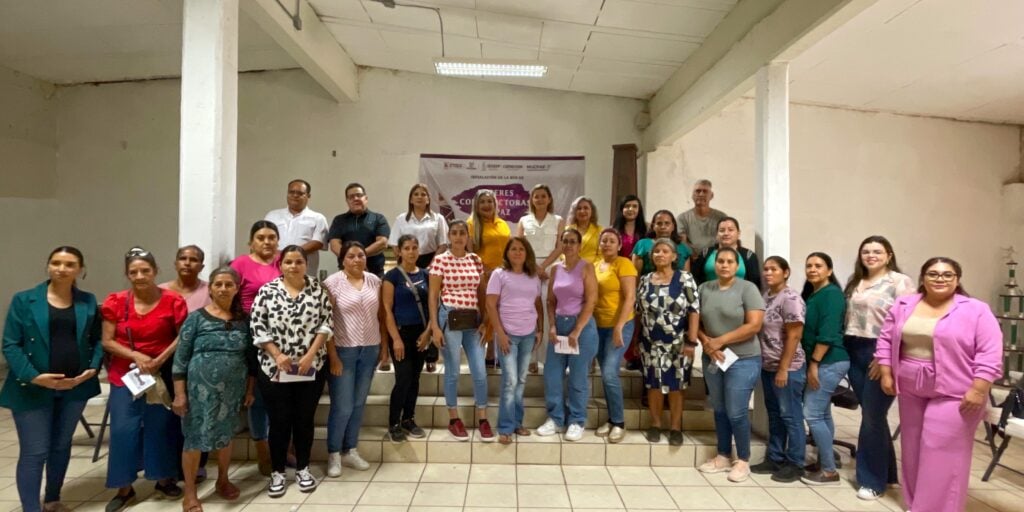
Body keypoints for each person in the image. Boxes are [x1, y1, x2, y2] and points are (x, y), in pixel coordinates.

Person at [877, 257, 1002, 512]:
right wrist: (887, 372)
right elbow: (886, 340)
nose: (940, 279)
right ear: (923, 278)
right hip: (911, 385)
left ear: (957, 279)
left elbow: (990, 353)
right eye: (933, 274)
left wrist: (979, 389)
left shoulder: (976, 310)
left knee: (940, 450)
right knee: (911, 448)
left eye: (947, 274)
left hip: (958, 390)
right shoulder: (904, 304)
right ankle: (915, 504)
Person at [0, 247, 103, 512]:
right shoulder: (24, 300)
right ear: (47, 266)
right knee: (35, 451)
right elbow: (11, 344)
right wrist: (35, 376)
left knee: (60, 446)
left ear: (80, 270)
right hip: (32, 388)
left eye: (69, 264)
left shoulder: (88, 301)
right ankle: (30, 508)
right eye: (56, 263)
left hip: (74, 387)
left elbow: (97, 340)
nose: (61, 268)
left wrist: (92, 368)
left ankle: (53, 500)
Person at [101, 248, 188, 511]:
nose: (140, 276)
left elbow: (182, 336)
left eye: (145, 271)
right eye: (133, 272)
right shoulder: (115, 302)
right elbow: (107, 340)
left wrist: (159, 359)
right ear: (127, 274)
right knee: (123, 430)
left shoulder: (173, 301)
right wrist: (136, 355)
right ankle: (124, 487)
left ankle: (162, 478)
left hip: (159, 375)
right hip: (125, 375)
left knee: (159, 428)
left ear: (156, 271)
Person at [250, 245, 332, 498]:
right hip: (275, 369)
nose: (293, 266)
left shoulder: (318, 290)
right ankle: (277, 473)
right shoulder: (267, 291)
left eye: (298, 262)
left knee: (304, 420)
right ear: (280, 265)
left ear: (306, 264)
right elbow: (257, 326)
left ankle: (303, 469)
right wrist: (277, 355)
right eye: (288, 262)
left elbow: (326, 324)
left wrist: (308, 356)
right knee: (279, 421)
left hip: (311, 367)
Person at [171, 267, 250, 512]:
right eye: (218, 284)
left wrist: (249, 389)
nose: (223, 289)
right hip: (198, 392)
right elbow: (180, 359)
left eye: (229, 285)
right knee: (194, 439)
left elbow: (251, 358)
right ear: (211, 288)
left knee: (225, 436)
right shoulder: (196, 318)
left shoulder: (244, 320)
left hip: (233, 391)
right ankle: (191, 493)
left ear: (237, 288)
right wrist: (180, 393)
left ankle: (223, 480)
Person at [843, 236, 914, 500]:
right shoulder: (856, 281)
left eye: (877, 251)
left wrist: (884, 357)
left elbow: (904, 323)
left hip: (880, 350)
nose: (871, 255)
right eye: (866, 251)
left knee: (872, 416)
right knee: (874, 415)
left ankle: (871, 480)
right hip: (853, 347)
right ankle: (889, 473)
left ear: (889, 254)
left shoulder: (899, 282)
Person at [697, 247, 765, 483]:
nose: (724, 265)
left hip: (743, 359)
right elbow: (695, 322)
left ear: (737, 266)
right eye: (720, 261)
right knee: (720, 409)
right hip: (713, 357)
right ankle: (723, 455)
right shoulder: (704, 288)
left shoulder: (748, 288)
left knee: (737, 411)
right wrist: (707, 342)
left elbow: (754, 325)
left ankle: (743, 460)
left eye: (729, 262)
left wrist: (720, 341)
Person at [323, 242, 385, 477]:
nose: (357, 259)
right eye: (351, 256)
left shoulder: (374, 281)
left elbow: (381, 315)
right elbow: (325, 322)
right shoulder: (332, 283)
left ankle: (350, 449)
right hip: (343, 352)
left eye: (361, 255)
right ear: (343, 260)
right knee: (343, 405)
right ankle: (334, 453)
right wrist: (333, 356)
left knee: (358, 404)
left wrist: (384, 346)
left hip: (369, 349)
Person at [428, 220, 492, 441]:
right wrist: (435, 326)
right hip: (450, 318)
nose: (458, 237)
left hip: (472, 320)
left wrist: (485, 320)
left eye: (462, 233)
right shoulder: (440, 260)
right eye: (454, 233)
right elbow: (433, 296)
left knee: (479, 371)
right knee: (453, 371)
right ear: (449, 236)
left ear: (468, 237)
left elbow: (482, 293)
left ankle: (483, 417)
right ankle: (454, 418)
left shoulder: (475, 260)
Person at [536, 228, 598, 442]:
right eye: (565, 241)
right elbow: (551, 300)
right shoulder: (555, 269)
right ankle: (555, 418)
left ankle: (576, 421)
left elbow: (591, 301)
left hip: (581, 326)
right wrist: (552, 326)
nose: (569, 245)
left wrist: (577, 330)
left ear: (579, 245)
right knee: (552, 374)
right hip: (559, 328)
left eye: (573, 241)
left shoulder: (587, 267)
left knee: (578, 377)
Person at [230, 220, 281, 476]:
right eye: (261, 237)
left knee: (283, 392)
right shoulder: (240, 265)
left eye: (272, 237)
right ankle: (263, 449)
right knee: (258, 393)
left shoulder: (283, 261)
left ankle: (284, 446)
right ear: (251, 241)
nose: (267, 242)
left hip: (283, 334)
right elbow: (228, 299)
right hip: (252, 333)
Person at [635, 239, 699, 446]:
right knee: (653, 384)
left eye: (665, 251)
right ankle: (655, 424)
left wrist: (691, 341)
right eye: (656, 251)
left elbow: (694, 310)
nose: (660, 254)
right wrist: (637, 339)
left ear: (674, 256)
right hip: (650, 342)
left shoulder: (685, 278)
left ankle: (675, 428)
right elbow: (638, 311)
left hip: (678, 342)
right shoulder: (645, 280)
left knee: (676, 385)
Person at [749, 256, 807, 483]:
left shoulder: (790, 298)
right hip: (768, 365)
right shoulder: (767, 296)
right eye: (765, 269)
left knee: (791, 416)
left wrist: (784, 369)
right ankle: (775, 457)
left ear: (786, 272)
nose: (768, 273)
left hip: (788, 367)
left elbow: (794, 335)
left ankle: (796, 462)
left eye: (773, 269)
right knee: (775, 415)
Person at [485, 237, 543, 444]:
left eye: (521, 249)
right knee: (509, 382)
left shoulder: (533, 277)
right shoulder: (499, 275)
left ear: (527, 253)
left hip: (528, 334)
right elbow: (491, 305)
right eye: (513, 249)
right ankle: (506, 427)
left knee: (521, 381)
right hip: (507, 335)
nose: (517, 252)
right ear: (507, 253)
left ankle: (518, 423)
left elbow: (537, 304)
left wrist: (540, 330)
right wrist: (500, 334)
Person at [799, 252, 849, 486]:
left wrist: (814, 365)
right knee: (823, 413)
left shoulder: (831, 295)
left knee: (813, 414)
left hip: (828, 361)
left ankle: (829, 471)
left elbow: (827, 334)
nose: (812, 269)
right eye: (809, 265)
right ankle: (826, 460)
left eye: (818, 265)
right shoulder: (814, 295)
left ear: (829, 270)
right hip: (821, 361)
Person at [382, 235, 432, 443]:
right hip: (400, 333)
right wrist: (396, 339)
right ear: (399, 252)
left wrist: (428, 333)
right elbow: (386, 309)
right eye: (407, 248)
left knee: (415, 379)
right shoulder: (392, 276)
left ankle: (408, 419)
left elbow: (432, 307)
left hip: (421, 333)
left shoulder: (426, 275)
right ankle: (394, 423)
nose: (411, 252)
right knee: (402, 379)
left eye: (414, 247)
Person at [592, 229, 637, 443]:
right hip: (598, 326)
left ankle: (619, 422)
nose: (607, 244)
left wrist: (619, 326)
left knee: (610, 372)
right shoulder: (594, 265)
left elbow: (630, 298)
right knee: (605, 373)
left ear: (619, 245)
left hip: (620, 325)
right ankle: (611, 419)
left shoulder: (624, 264)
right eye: (604, 241)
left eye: (612, 241)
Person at [516, 184, 564, 375]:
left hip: (551, 269)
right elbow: (519, 246)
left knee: (548, 308)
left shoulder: (558, 220)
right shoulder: (523, 220)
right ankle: (532, 358)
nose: (540, 199)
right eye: (536, 196)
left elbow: (561, 246)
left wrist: (543, 268)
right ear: (532, 199)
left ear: (549, 199)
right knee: (530, 312)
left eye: (543, 196)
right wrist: (534, 267)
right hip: (529, 268)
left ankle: (548, 357)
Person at [466, 189, 511, 368]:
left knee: (499, 313)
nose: (486, 205)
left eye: (490, 201)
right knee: (486, 312)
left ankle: (495, 353)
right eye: (482, 202)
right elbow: (469, 252)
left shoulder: (503, 224)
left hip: (504, 275)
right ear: (476, 205)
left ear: (495, 204)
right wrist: (485, 270)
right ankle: (485, 354)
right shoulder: (471, 224)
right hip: (483, 276)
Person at [264, 179, 329, 276]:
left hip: (304, 274)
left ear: (308, 196)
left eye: (300, 193)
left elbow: (318, 243)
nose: (295, 195)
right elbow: (263, 238)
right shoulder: (272, 216)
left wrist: (287, 255)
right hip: (274, 271)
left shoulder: (318, 218)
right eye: (291, 192)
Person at [328, 183, 390, 277]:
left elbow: (382, 243)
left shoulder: (378, 218)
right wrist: (353, 259)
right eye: (351, 197)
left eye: (359, 195)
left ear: (366, 198)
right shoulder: (339, 220)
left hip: (375, 273)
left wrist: (359, 257)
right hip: (346, 274)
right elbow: (334, 244)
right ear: (347, 201)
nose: (356, 198)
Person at [388, 183, 449, 268]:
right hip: (407, 261)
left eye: (423, 194)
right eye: (416, 194)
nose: (419, 197)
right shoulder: (401, 219)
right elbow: (395, 245)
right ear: (411, 200)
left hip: (431, 261)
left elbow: (443, 245)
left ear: (428, 200)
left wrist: (432, 265)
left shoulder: (438, 219)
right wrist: (404, 263)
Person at [692, 217, 762, 289]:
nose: (726, 233)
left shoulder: (749, 256)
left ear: (738, 233)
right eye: (722, 230)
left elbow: (755, 284)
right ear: (717, 234)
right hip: (709, 296)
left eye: (730, 230)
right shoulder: (705, 253)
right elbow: (694, 279)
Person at [676, 179, 727, 254]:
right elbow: (683, 242)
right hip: (691, 258)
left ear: (711, 196)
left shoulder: (721, 217)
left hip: (715, 258)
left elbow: (725, 239)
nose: (701, 194)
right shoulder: (682, 218)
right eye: (698, 191)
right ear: (692, 195)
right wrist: (693, 255)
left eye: (705, 191)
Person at [632, 209, 692, 275]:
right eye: (659, 223)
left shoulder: (683, 248)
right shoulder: (642, 245)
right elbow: (635, 275)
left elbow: (687, 275)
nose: (663, 227)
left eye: (667, 223)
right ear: (653, 226)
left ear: (673, 226)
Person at [159, 245, 211, 312]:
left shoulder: (210, 291)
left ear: (201, 267)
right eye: (183, 259)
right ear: (176, 264)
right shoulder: (160, 291)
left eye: (193, 260)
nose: (187, 263)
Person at [567, 196, 602, 263]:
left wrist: (590, 268)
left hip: (592, 269)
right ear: (574, 212)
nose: (582, 211)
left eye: (586, 208)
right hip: (570, 268)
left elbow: (601, 255)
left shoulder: (600, 230)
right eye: (579, 208)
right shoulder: (567, 230)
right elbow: (562, 252)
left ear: (592, 211)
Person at [613, 194, 646, 259]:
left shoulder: (647, 228)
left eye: (634, 206)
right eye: (627, 206)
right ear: (621, 209)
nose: (630, 209)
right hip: (619, 266)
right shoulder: (613, 229)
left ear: (639, 210)